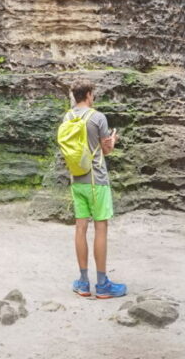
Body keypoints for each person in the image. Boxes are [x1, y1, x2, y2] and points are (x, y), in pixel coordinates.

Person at [67, 81, 126, 299]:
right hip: (96, 181)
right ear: (89, 95)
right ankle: (102, 285)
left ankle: (83, 282)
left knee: (80, 228)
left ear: (75, 96)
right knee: (101, 228)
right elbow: (106, 150)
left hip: (76, 180)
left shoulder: (67, 117)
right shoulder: (97, 117)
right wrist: (112, 141)